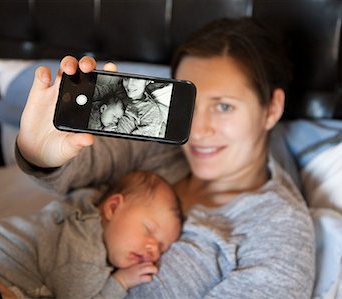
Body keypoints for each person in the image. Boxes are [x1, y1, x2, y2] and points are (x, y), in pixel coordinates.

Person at [16, 17, 316, 298]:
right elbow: (83, 162)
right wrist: (37, 151)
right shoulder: (159, 151)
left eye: (223, 107)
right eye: (190, 105)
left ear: (272, 108)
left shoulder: (279, 229)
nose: (198, 130)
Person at [0, 171, 183, 298]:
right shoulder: (85, 250)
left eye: (162, 247)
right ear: (112, 207)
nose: (153, 249)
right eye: (148, 230)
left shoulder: (87, 204)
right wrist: (121, 283)